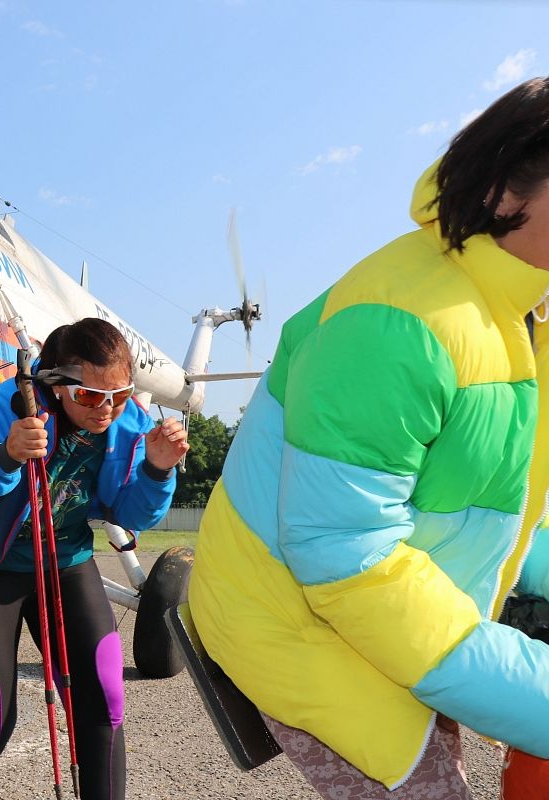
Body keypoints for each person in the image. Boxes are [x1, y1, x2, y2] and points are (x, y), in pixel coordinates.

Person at [188, 77, 549, 800]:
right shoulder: (399, 318)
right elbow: (341, 551)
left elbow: (508, 507)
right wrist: (524, 686)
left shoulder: (526, 318)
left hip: (405, 622)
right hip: (299, 620)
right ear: (507, 193)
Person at [0, 317, 189, 800]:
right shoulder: (10, 405)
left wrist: (157, 470)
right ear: (56, 383)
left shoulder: (129, 420)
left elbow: (130, 514)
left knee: (106, 700)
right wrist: (4, 457)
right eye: (90, 396)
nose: (106, 409)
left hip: (64, 558)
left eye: (119, 393)